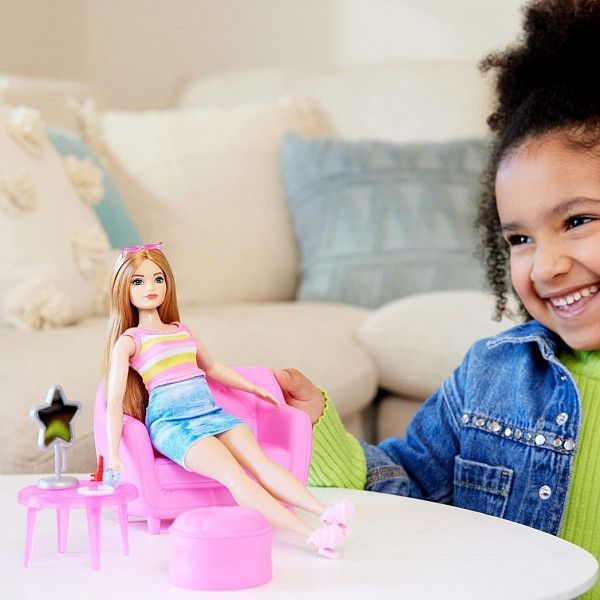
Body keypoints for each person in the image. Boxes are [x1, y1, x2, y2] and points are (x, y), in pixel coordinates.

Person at [272, 0, 600, 592]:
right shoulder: (491, 376)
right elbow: (404, 492)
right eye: (520, 239)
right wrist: (316, 426)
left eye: (577, 221)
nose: (546, 266)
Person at [102, 242, 353, 559]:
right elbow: (114, 401)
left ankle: (327, 512)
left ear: (168, 283)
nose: (150, 288)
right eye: (138, 281)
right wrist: (113, 454)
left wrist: (252, 388)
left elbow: (212, 368)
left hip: (211, 414)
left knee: (261, 464)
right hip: (174, 426)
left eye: (158, 278)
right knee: (234, 476)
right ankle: (313, 536)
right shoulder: (130, 342)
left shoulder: (182, 331)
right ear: (124, 289)